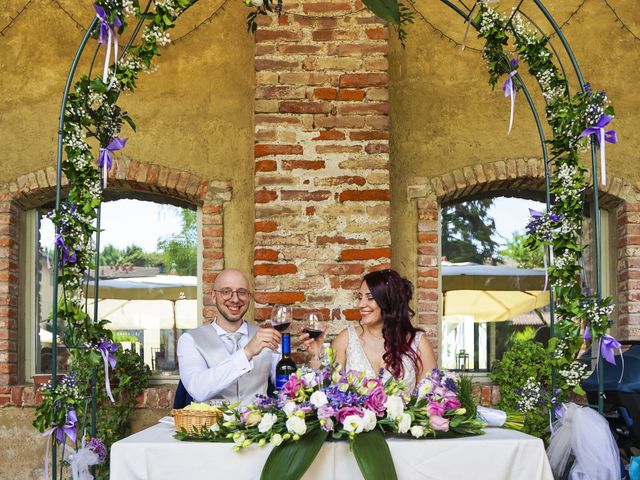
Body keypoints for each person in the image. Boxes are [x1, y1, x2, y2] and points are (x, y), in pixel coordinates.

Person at [302, 269, 437, 391]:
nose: (360, 304)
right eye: (360, 297)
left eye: (370, 298)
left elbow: (431, 400)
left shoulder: (418, 342)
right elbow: (326, 392)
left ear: (389, 302)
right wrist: (316, 356)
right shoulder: (346, 339)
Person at [177, 268, 282, 405]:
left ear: (249, 296)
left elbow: (288, 391)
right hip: (211, 426)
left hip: (261, 425)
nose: (235, 299)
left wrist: (315, 358)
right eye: (226, 292)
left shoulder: (268, 338)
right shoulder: (189, 340)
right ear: (214, 296)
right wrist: (247, 353)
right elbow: (198, 389)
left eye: (241, 292)